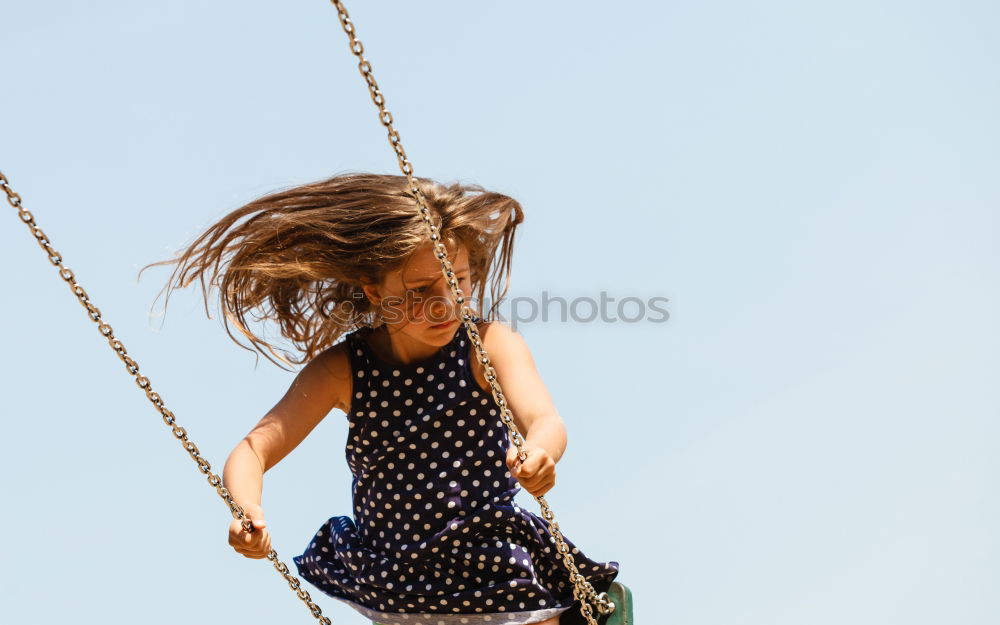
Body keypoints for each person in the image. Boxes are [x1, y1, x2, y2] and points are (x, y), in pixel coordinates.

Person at [142, 172, 620, 625]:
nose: (446, 304)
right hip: (398, 580)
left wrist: (541, 453)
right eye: (420, 290)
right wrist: (246, 509)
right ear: (375, 292)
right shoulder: (344, 370)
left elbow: (545, 419)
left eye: (459, 283)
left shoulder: (488, 344)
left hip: (492, 560)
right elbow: (253, 450)